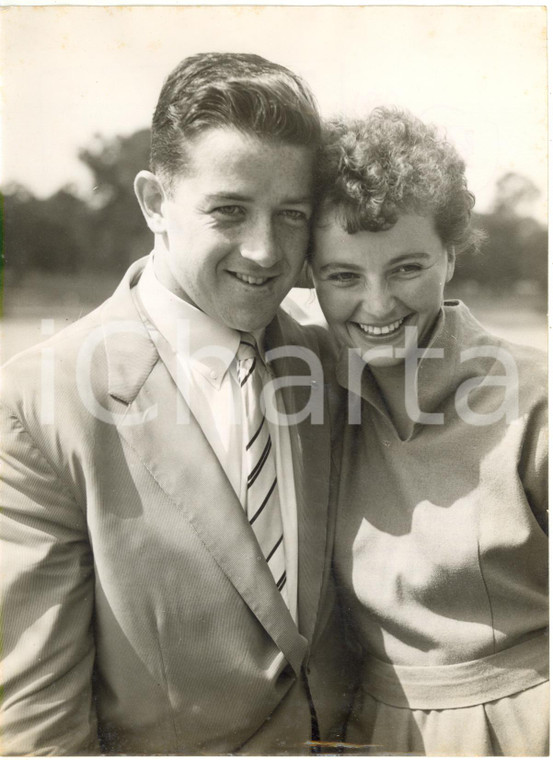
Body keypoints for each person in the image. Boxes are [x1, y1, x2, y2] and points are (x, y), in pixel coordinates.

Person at [0, 52, 353, 755]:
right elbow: (36, 722)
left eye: (290, 216)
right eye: (229, 210)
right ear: (154, 202)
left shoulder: (338, 344)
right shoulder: (39, 401)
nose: (264, 251)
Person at [310, 107, 548, 756]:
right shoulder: (306, 398)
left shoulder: (538, 404)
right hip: (367, 731)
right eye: (343, 276)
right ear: (310, 276)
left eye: (407, 267)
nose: (378, 305)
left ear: (450, 253)